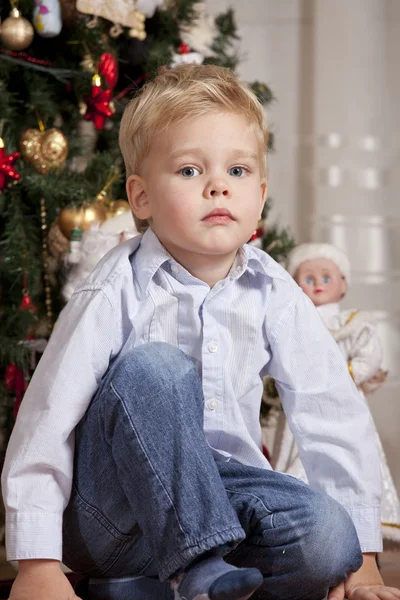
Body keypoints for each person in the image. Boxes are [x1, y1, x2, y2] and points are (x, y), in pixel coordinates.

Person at [2, 64, 399, 600]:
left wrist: (365, 558)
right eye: (190, 171)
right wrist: (37, 564)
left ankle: (175, 585)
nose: (218, 186)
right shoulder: (115, 288)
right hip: (113, 518)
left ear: (260, 194)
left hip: (223, 501)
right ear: (140, 198)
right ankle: (191, 571)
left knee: (330, 539)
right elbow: (48, 418)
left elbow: (331, 410)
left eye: (237, 172)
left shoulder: (273, 290)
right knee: (157, 367)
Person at [270, 243, 400, 546]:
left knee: (349, 456)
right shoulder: (291, 324)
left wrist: (345, 378)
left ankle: (357, 529)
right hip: (300, 405)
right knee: (298, 456)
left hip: (343, 405)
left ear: (343, 285)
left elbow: (370, 355)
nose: (317, 284)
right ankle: (301, 523)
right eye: (308, 278)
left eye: (326, 278)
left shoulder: (351, 323)